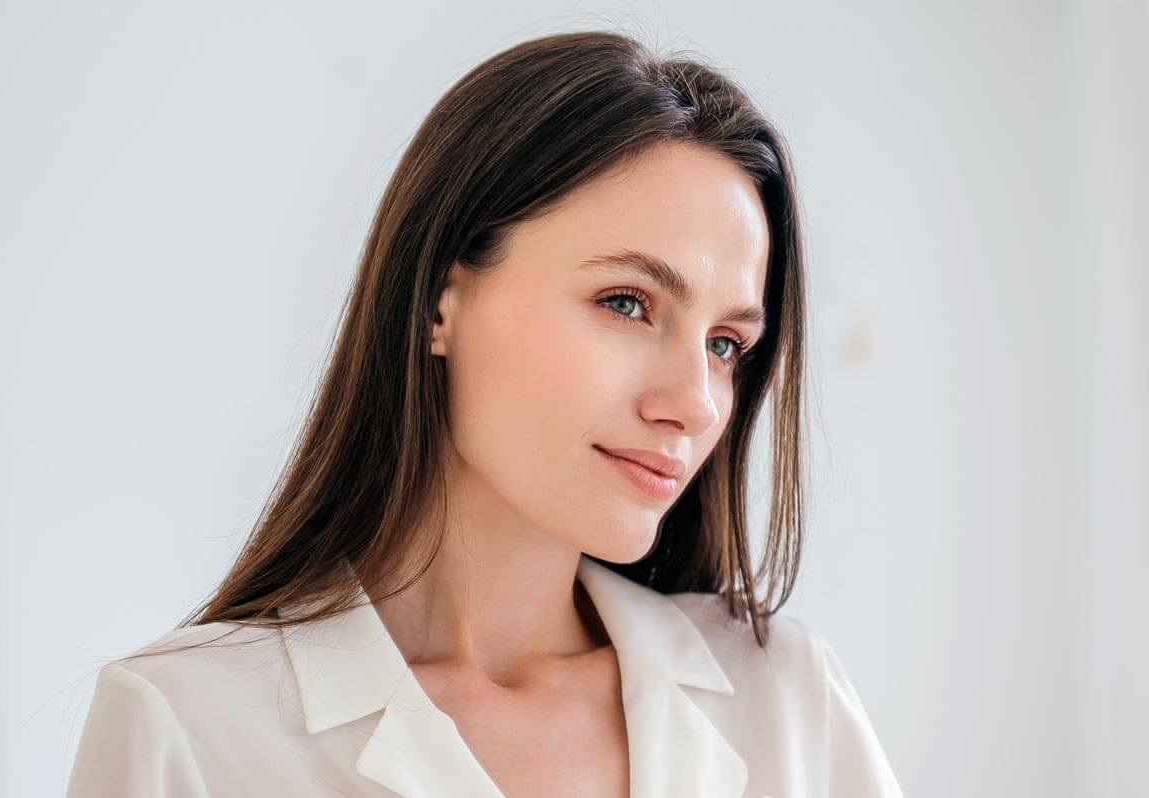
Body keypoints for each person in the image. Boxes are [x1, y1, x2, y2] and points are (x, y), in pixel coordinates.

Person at [67, 29, 903, 798]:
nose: (692, 403)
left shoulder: (788, 704)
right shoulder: (192, 729)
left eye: (725, 344)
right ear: (442, 300)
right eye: (626, 302)